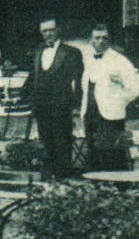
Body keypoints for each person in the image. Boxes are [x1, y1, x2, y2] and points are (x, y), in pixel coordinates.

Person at [22, 17, 84, 179]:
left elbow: (79, 81)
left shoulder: (71, 52)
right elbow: (32, 77)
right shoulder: (37, 50)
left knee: (62, 143)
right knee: (45, 144)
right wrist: (22, 97)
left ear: (58, 30)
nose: (48, 34)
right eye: (45, 31)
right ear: (41, 32)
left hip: (61, 106)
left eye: (51, 30)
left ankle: (63, 181)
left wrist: (76, 105)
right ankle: (47, 180)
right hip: (41, 106)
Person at [82, 24, 139, 172]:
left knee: (112, 156)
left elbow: (135, 88)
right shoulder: (87, 59)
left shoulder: (119, 60)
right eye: (97, 38)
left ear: (109, 40)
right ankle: (96, 190)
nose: (101, 41)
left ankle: (116, 190)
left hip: (111, 116)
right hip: (90, 114)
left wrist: (117, 101)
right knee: (93, 153)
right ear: (90, 40)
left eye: (104, 38)